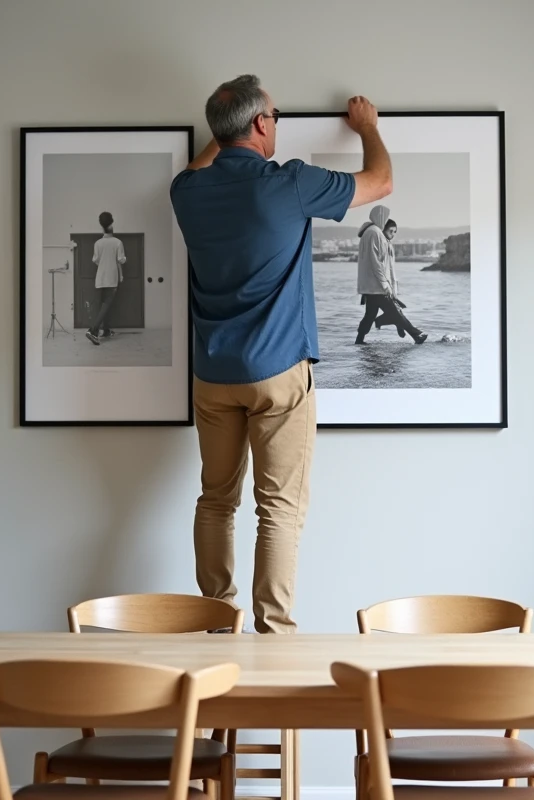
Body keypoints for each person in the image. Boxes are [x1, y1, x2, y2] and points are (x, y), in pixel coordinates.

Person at [169, 75, 393, 633]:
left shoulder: (186, 192)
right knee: (280, 510)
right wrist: (367, 127)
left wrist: (224, 132)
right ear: (262, 125)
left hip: (213, 376)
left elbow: (201, 166)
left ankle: (218, 625)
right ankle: (274, 635)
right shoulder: (290, 184)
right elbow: (381, 181)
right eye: (275, 117)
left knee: (216, 500)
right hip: (278, 371)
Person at [355, 208, 426, 344]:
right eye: (391, 231)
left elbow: (385, 266)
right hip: (378, 286)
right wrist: (385, 285)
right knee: (395, 311)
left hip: (374, 285)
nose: (393, 235)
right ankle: (416, 335)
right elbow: (376, 263)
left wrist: (392, 286)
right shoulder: (375, 234)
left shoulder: (376, 235)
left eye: (395, 232)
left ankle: (359, 341)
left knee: (370, 314)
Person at [85, 211, 125, 346]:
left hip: (100, 278)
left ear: (101, 225)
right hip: (111, 278)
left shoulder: (97, 243)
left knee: (102, 306)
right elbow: (121, 260)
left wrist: (103, 263)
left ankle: (106, 330)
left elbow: (95, 260)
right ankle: (93, 330)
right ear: (112, 223)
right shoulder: (117, 242)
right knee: (106, 305)